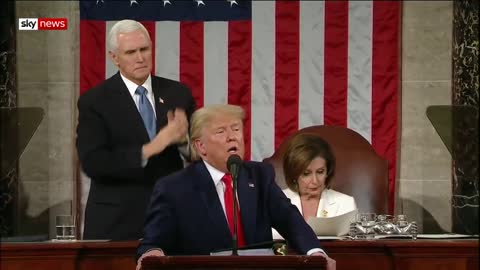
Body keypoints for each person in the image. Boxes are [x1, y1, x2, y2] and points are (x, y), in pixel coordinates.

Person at [136, 104, 335, 270]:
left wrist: (315, 253)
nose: (232, 137)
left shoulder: (260, 176)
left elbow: (290, 220)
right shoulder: (174, 188)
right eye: (221, 132)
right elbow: (153, 242)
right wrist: (152, 253)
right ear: (201, 147)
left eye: (236, 129)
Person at [76, 19, 196, 240]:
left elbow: (199, 152)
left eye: (144, 49)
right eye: (131, 52)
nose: (140, 58)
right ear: (115, 58)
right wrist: (152, 147)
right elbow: (94, 163)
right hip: (117, 223)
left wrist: (182, 142)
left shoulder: (177, 93)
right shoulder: (95, 101)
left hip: (171, 216)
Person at [273, 133, 357, 239]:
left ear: (328, 171)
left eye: (320, 172)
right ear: (294, 173)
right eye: (306, 173)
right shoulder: (276, 201)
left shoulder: (345, 204)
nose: (315, 181)